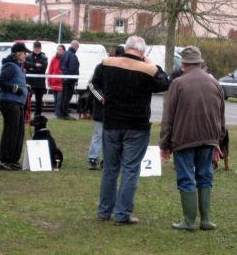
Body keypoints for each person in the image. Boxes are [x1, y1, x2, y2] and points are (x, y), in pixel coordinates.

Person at [90, 36, 169, 224]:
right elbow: (165, 83)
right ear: (142, 52)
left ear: (126, 48)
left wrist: (102, 99)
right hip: (136, 126)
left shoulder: (107, 63)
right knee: (130, 170)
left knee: (110, 169)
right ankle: (122, 214)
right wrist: (153, 64)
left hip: (111, 123)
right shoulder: (148, 70)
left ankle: (104, 211)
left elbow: (93, 85)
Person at [160, 46, 225, 231]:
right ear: (200, 61)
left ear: (183, 63)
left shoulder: (178, 83)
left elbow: (168, 117)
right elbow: (221, 114)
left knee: (186, 178)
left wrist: (165, 143)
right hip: (209, 138)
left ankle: (189, 221)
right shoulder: (215, 83)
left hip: (184, 138)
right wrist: (217, 141)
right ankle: (205, 220)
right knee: (205, 177)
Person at [87, 46, 124, 170]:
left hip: (117, 109)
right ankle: (93, 158)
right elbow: (92, 84)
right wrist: (102, 98)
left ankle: (107, 160)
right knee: (98, 134)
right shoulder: (101, 67)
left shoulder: (124, 69)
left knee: (113, 136)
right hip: (102, 108)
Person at [0, 43, 29, 171]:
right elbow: (0, 82)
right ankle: (5, 160)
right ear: (18, 53)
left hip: (17, 103)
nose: (26, 55)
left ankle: (13, 160)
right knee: (11, 132)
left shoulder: (18, 67)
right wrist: (15, 89)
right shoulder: (10, 66)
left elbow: (17, 81)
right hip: (9, 102)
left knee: (19, 132)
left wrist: (25, 88)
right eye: (24, 53)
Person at [25, 41, 48, 116]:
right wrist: (35, 65)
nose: (36, 49)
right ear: (33, 48)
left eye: (38, 48)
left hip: (40, 82)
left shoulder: (44, 57)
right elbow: (25, 64)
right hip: (29, 81)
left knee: (39, 101)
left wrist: (31, 68)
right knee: (27, 100)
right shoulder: (28, 56)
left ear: (40, 48)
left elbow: (42, 69)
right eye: (35, 48)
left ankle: (37, 116)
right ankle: (26, 115)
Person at [59, 40, 80, 120]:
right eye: (77, 47)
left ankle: (62, 113)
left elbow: (61, 66)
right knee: (67, 97)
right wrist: (75, 79)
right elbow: (73, 68)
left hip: (64, 78)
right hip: (70, 79)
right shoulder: (72, 55)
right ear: (76, 47)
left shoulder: (65, 54)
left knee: (64, 96)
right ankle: (65, 114)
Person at [47, 45, 65, 117]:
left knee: (59, 100)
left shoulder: (65, 59)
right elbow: (50, 70)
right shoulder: (54, 58)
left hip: (61, 83)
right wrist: (48, 81)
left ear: (64, 50)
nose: (59, 51)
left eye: (60, 49)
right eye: (58, 49)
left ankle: (57, 114)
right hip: (54, 82)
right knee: (56, 100)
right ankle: (56, 114)